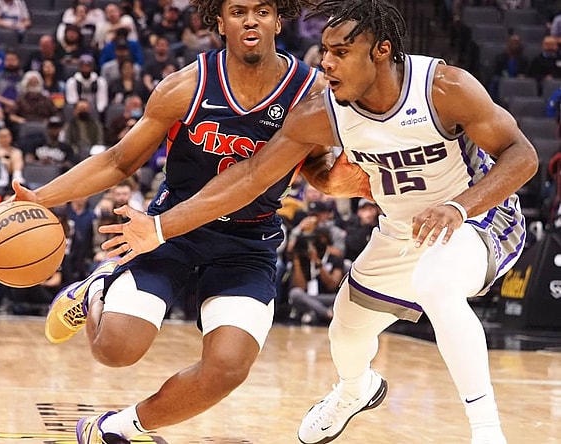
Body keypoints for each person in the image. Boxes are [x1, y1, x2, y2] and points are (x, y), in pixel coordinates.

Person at [98, 1, 539, 443]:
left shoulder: (444, 87)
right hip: (402, 228)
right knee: (346, 327)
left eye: (341, 52)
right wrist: (160, 227)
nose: (326, 62)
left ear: (381, 51)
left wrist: (459, 206)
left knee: (436, 283)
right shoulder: (320, 110)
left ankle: (487, 432)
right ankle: (354, 391)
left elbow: (523, 155)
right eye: (325, 50)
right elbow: (251, 176)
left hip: (478, 217)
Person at [0, 0, 322, 442]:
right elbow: (119, 160)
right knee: (115, 351)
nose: (251, 20)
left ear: (279, 20)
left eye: (262, 10)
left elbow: (318, 166)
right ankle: (95, 291)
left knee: (227, 369)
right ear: (218, 21)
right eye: (238, 10)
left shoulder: (311, 92)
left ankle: (117, 429)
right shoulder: (185, 87)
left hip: (248, 241)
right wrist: (40, 197)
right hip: (169, 233)